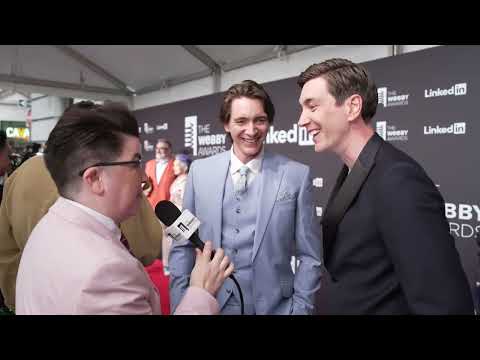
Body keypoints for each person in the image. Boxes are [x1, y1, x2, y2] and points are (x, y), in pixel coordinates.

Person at [14, 102, 233, 314]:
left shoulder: (48, 226)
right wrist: (201, 292)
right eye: (134, 163)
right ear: (94, 178)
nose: (145, 178)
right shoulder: (105, 273)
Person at [297, 58, 474, 314]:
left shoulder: (398, 179)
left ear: (352, 106)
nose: (302, 120)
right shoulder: (353, 170)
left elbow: (444, 304)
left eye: (312, 107)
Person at [169, 80, 322, 315]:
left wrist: (300, 309)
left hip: (276, 308)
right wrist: (181, 301)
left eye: (259, 120)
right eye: (241, 121)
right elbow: (182, 243)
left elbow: (310, 256)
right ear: (226, 124)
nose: (251, 131)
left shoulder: (296, 175)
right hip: (210, 305)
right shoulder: (199, 172)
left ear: (268, 122)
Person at [144, 138, 176, 209]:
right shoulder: (149, 164)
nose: (158, 151)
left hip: (167, 207)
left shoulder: (176, 165)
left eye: (161, 148)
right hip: (150, 207)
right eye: (157, 148)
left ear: (169, 150)